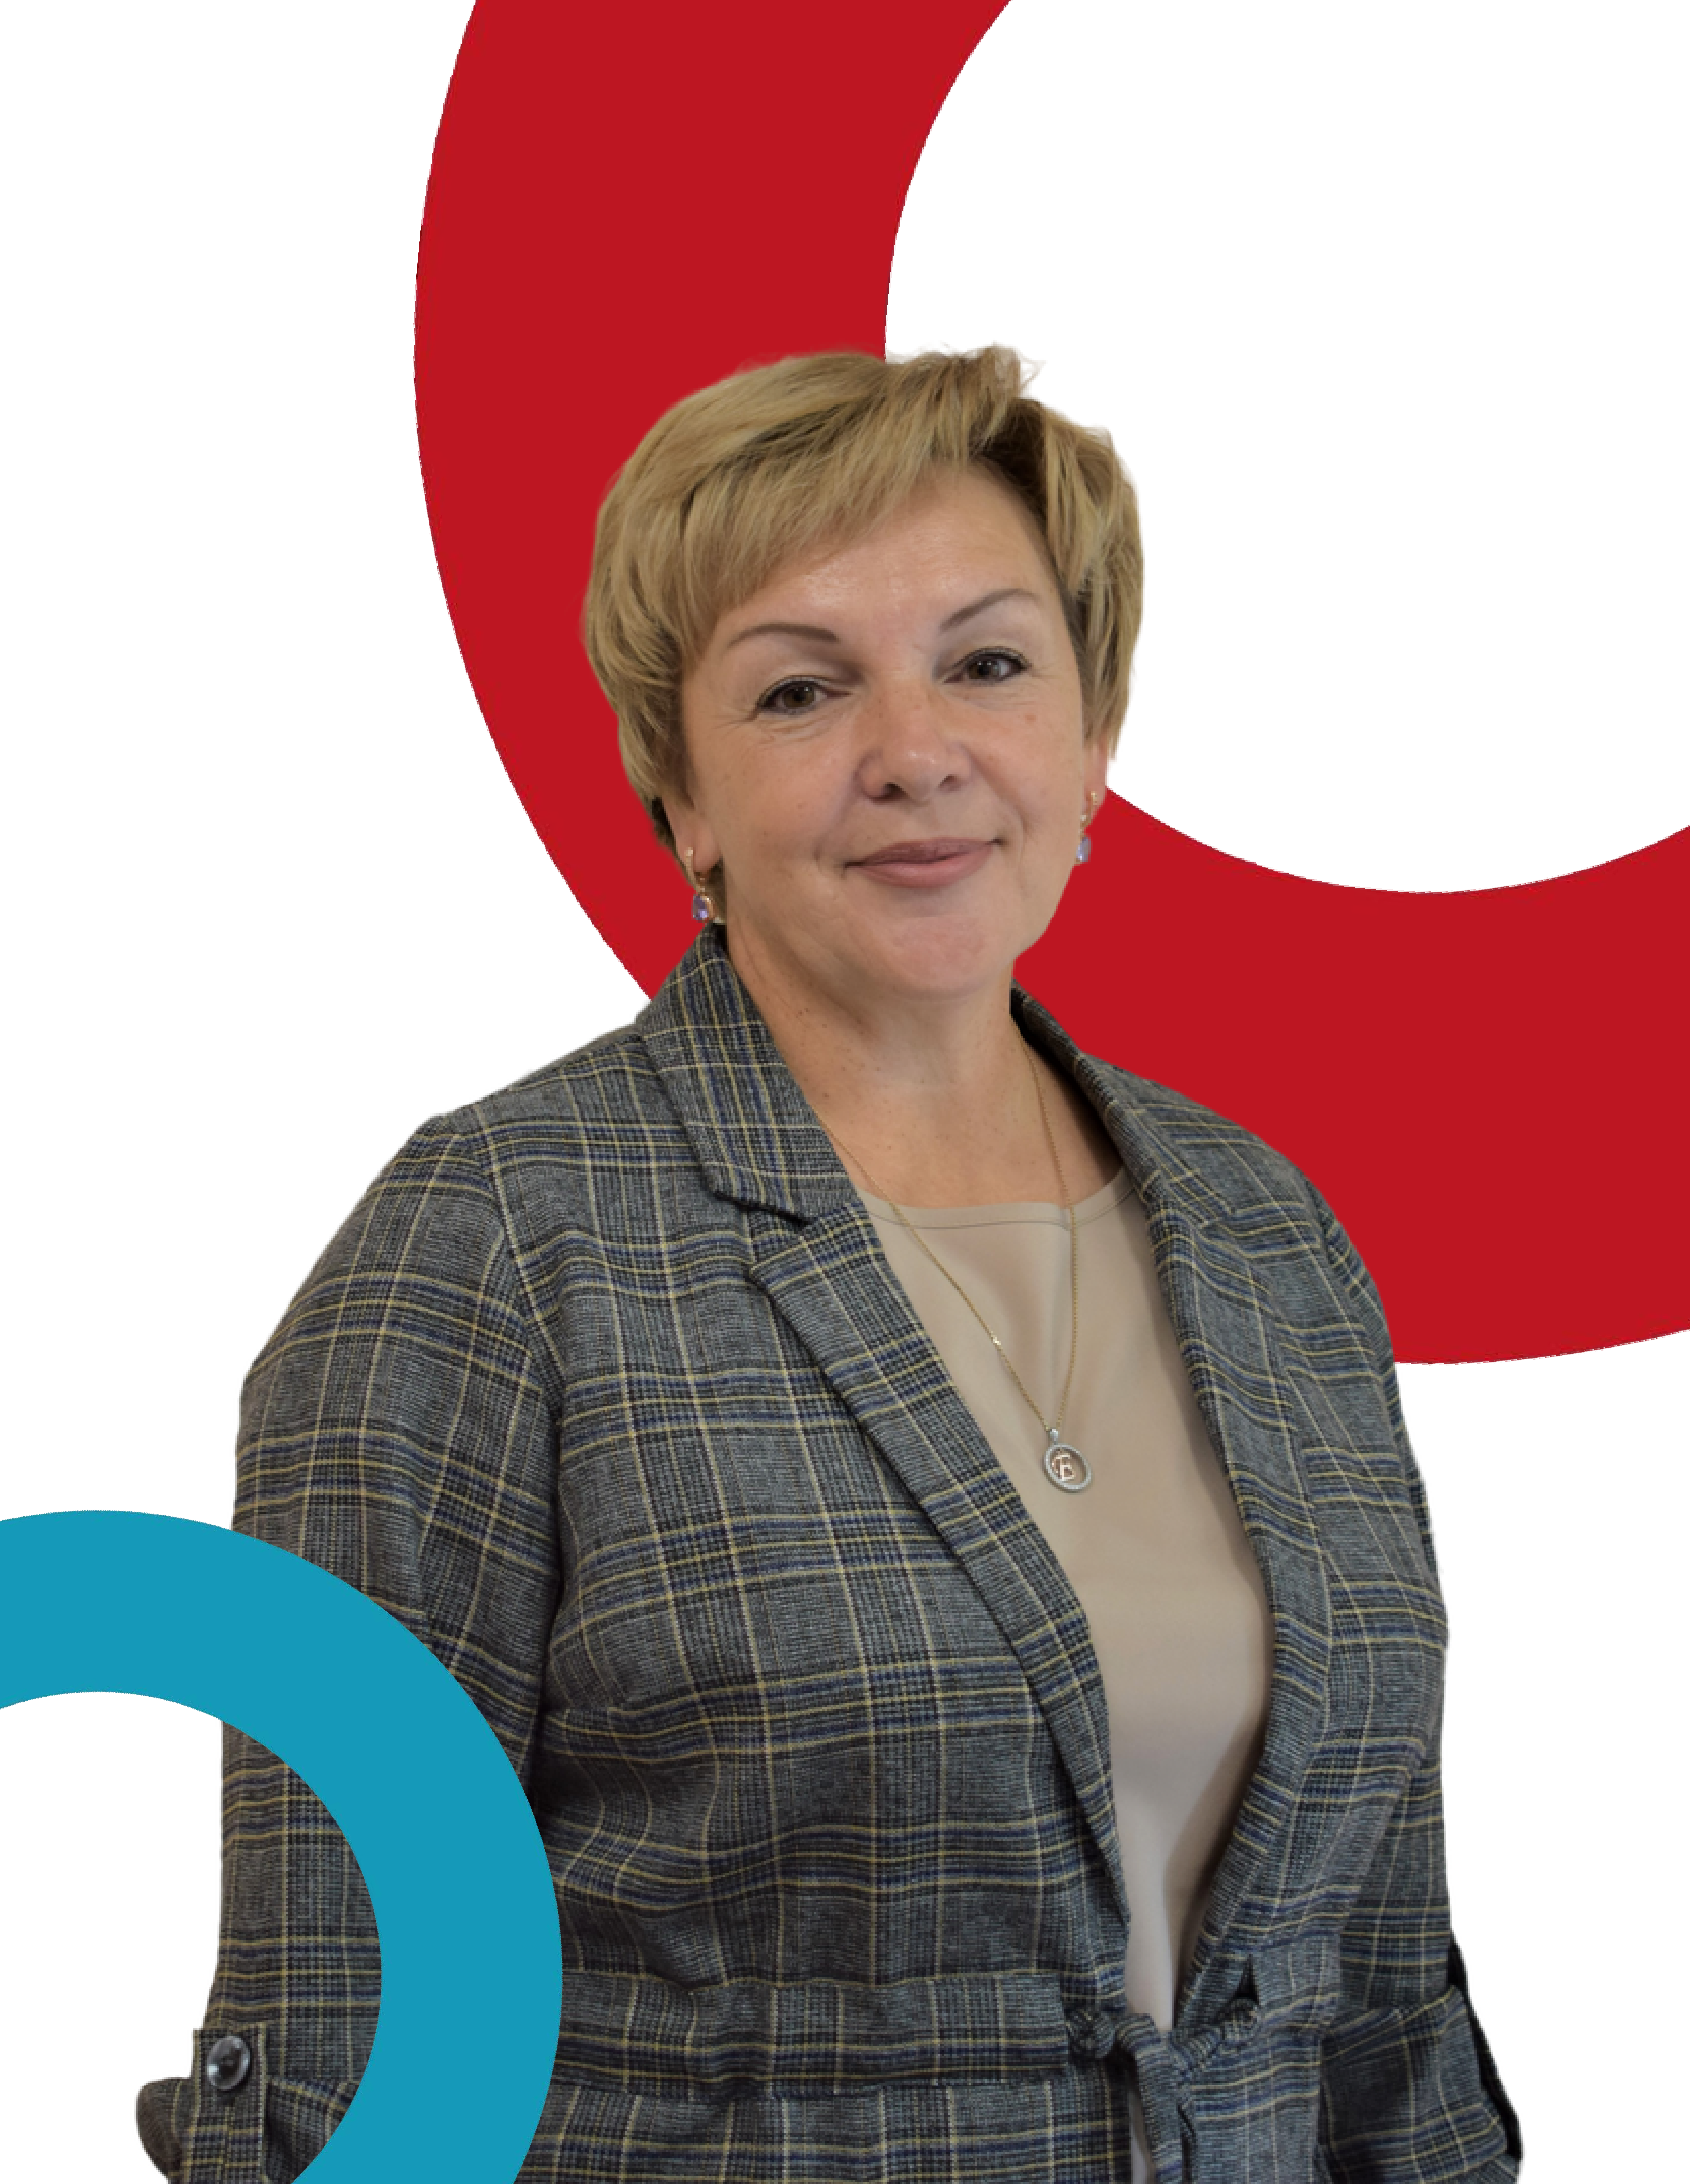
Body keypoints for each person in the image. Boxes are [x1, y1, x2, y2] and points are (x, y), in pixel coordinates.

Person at [137, 347, 1521, 2182]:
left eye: (989, 665)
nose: (918, 752)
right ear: (682, 793)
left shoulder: (1270, 1235)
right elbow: (341, 2033)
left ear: (1092, 738)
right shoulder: (491, 1247)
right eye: (803, 689)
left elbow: (1385, 2005)